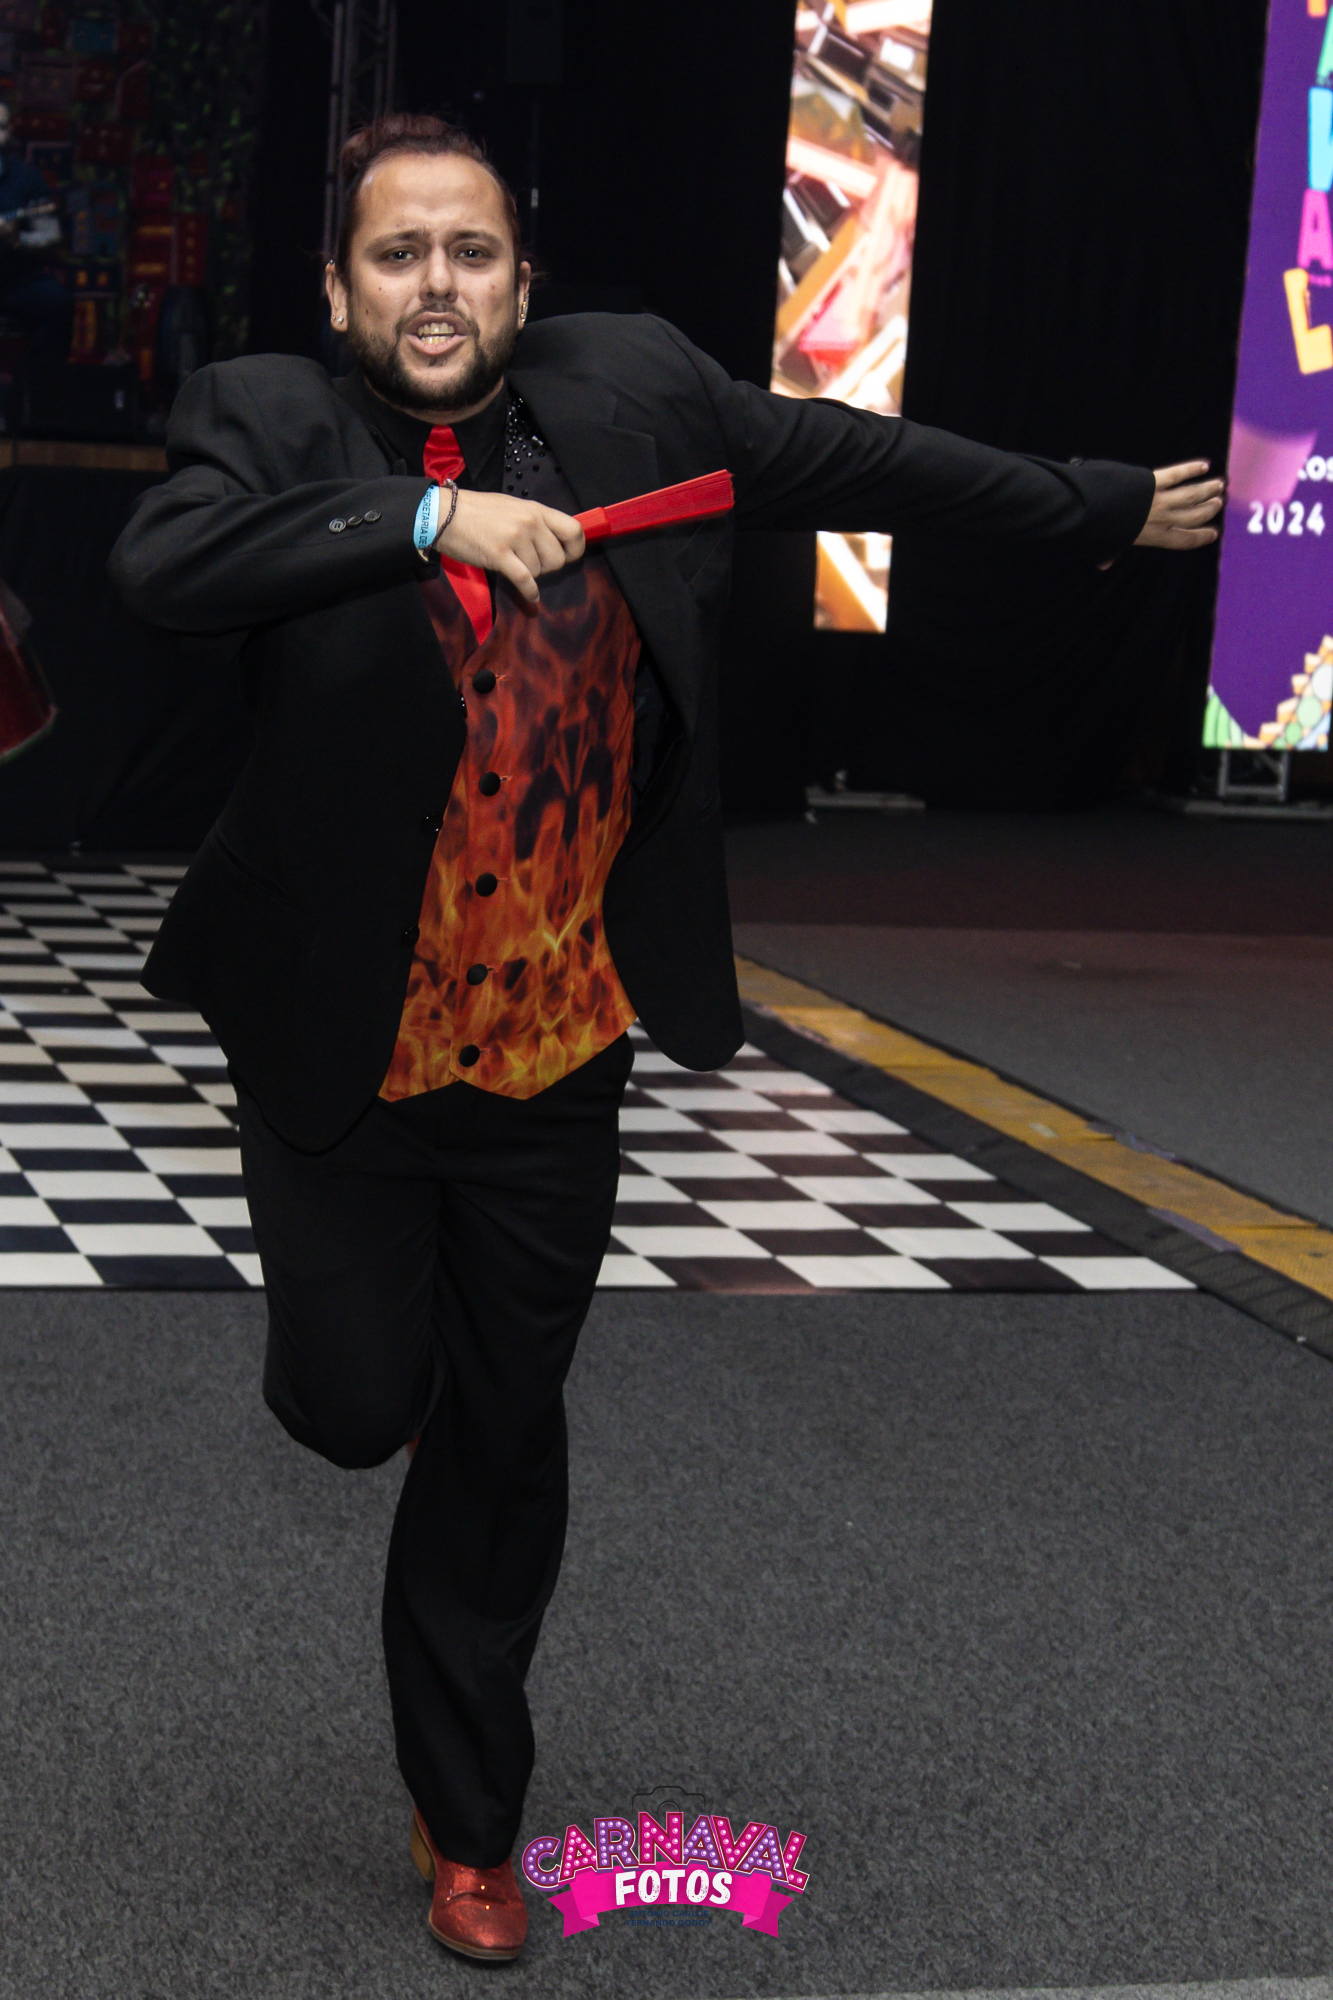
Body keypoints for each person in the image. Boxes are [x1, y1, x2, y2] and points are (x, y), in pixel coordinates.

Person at [107, 113, 1222, 1963]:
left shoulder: (633, 394)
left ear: (521, 279)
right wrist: (425, 518)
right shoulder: (268, 419)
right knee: (356, 1410)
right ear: (340, 290)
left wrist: (1094, 501)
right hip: (347, 1040)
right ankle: (406, 1417)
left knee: (503, 1441)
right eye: (398, 255)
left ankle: (472, 1821)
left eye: (471, 252)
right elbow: (167, 563)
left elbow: (863, 455)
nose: (438, 287)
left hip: (558, 1043)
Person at [0, 100, 70, 363]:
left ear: (9, 132)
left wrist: (16, 240)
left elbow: (50, 237)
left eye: (0, 127)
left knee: (58, 304)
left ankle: (39, 382)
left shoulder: (27, 178)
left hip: (16, 283)